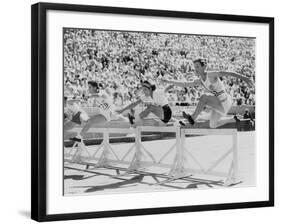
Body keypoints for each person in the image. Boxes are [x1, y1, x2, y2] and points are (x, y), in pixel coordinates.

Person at [164, 58, 254, 128]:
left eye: (198, 67)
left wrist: (245, 78)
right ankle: (232, 119)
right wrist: (168, 81)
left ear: (204, 67)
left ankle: (193, 117)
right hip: (219, 104)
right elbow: (184, 84)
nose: (196, 69)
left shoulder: (211, 75)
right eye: (195, 67)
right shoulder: (199, 81)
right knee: (213, 125)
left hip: (224, 101)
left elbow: (229, 73)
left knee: (204, 97)